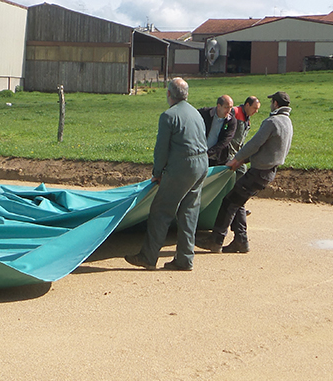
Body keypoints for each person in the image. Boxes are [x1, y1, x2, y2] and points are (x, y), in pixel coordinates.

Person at [125, 77, 209, 271]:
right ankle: (185, 259)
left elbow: (161, 149)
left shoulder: (168, 116)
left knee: (161, 211)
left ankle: (148, 256)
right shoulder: (196, 113)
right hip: (202, 164)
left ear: (169, 94)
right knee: (189, 211)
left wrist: (157, 172)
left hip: (183, 166)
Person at [197, 91, 293, 254]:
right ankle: (241, 242)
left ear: (275, 104)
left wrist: (236, 159)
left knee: (229, 202)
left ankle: (215, 241)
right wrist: (243, 161)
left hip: (259, 171)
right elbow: (266, 149)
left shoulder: (272, 121)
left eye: (272, 102)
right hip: (269, 172)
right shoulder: (287, 122)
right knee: (237, 201)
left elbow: (254, 145)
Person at [198, 95, 237, 166]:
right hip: (199, 155)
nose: (229, 110)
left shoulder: (231, 121)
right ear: (219, 106)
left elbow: (225, 140)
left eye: (231, 107)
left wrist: (209, 153)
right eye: (226, 107)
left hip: (217, 159)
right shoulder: (205, 113)